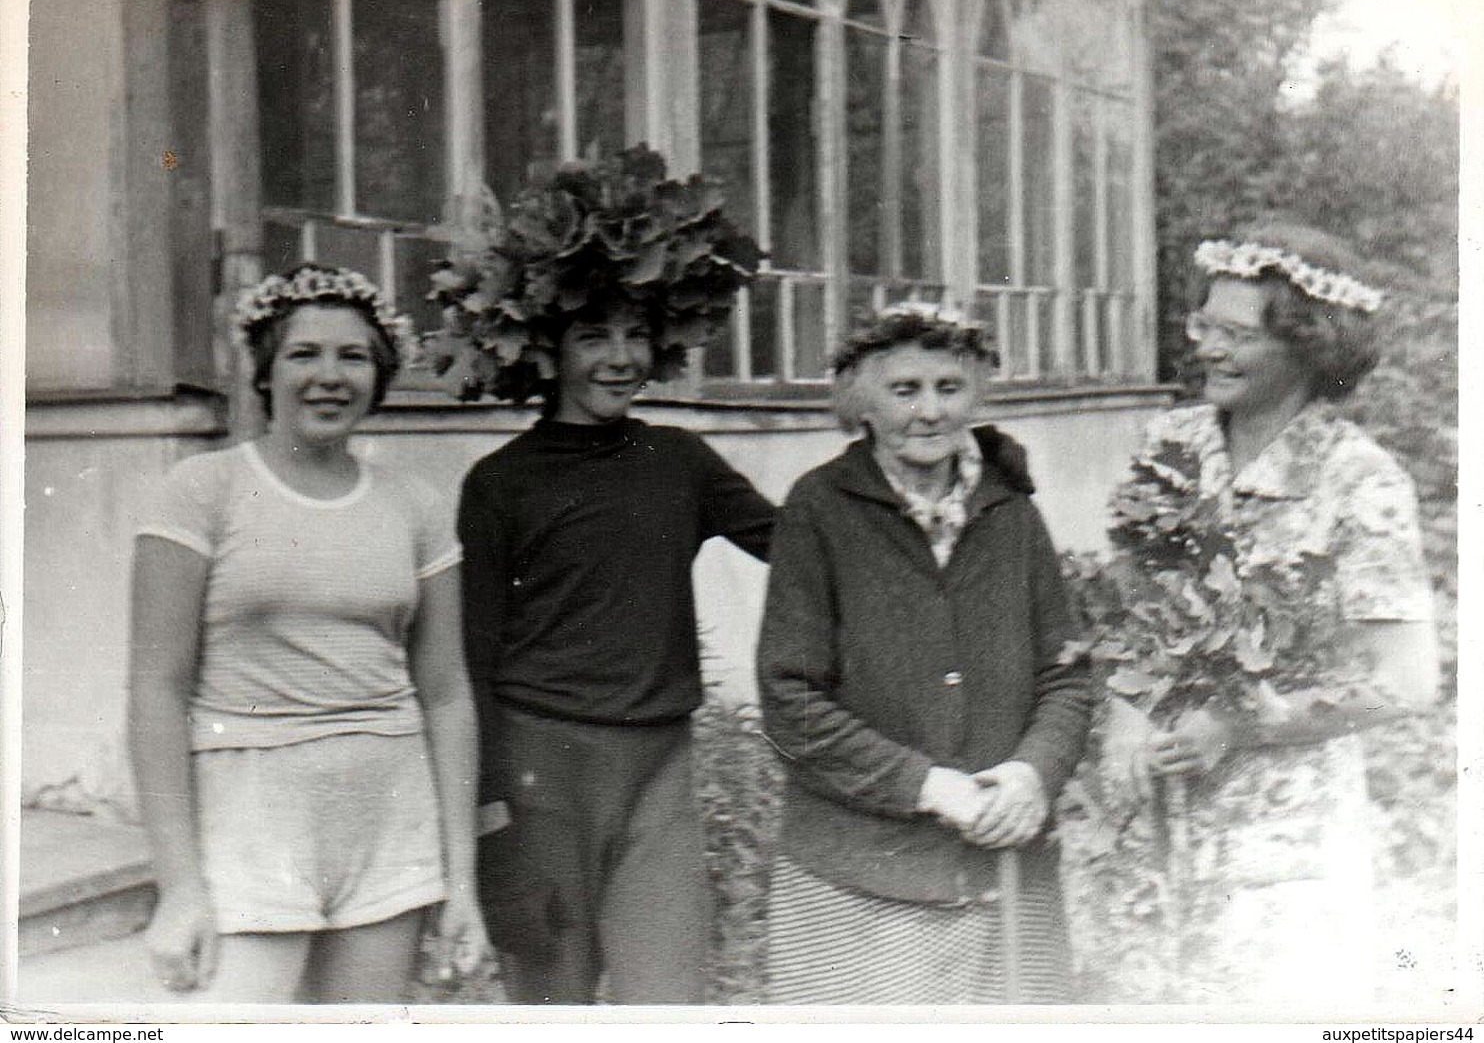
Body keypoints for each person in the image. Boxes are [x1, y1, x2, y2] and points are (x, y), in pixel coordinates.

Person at [128, 264, 489, 1003]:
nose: (330, 376)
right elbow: (156, 692)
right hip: (249, 820)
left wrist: (460, 885)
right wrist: (179, 886)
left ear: (380, 373)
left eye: (352, 356)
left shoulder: (414, 504)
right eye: (304, 354)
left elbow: (447, 695)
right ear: (264, 370)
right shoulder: (201, 491)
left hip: (386, 818)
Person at [1097, 227, 1439, 1004]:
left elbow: (1406, 683)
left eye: (1237, 335)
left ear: (1307, 347)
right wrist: (1124, 715)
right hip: (1148, 814)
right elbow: (1132, 604)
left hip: (1283, 841)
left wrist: (1243, 724)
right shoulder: (1171, 442)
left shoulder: (1358, 480)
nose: (1208, 350)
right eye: (1204, 326)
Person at [756, 304, 1091, 1005]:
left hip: (1005, 870)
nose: (930, 411)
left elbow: (1065, 672)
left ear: (976, 394)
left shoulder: (1012, 514)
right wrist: (929, 786)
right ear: (861, 403)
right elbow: (791, 701)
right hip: (859, 879)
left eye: (949, 387)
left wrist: (1030, 776)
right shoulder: (819, 510)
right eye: (904, 390)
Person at [458, 288, 774, 1004]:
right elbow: (470, 664)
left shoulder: (679, 460)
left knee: (672, 1003)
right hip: (545, 773)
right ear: (548, 348)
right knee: (551, 1001)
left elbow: (797, 542)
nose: (621, 357)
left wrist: (916, 476)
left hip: (659, 771)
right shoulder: (499, 482)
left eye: (637, 335)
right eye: (594, 335)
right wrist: (494, 834)